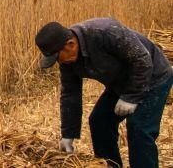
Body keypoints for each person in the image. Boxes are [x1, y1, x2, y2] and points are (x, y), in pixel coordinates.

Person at [35, 18, 173, 167]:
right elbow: (70, 94)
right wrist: (68, 134)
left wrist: (131, 97)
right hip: (121, 82)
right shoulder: (68, 61)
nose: (59, 62)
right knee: (99, 121)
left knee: (138, 128)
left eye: (56, 57)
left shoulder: (105, 32)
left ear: (70, 44)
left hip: (154, 76)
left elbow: (142, 59)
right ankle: (110, 165)